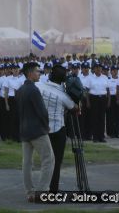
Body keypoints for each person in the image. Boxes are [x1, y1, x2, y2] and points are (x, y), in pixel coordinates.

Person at [15, 61, 54, 201]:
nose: (39, 74)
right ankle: (42, 191)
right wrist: (46, 126)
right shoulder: (33, 89)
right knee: (48, 159)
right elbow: (42, 112)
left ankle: (30, 192)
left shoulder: (20, 90)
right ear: (30, 73)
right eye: (37, 71)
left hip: (24, 130)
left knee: (27, 163)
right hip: (37, 131)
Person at [38, 64, 76, 192]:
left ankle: (42, 189)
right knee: (56, 162)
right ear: (64, 80)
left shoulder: (39, 86)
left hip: (42, 130)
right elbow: (74, 108)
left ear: (49, 75)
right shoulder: (64, 96)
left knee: (45, 162)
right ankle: (53, 191)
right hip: (58, 130)